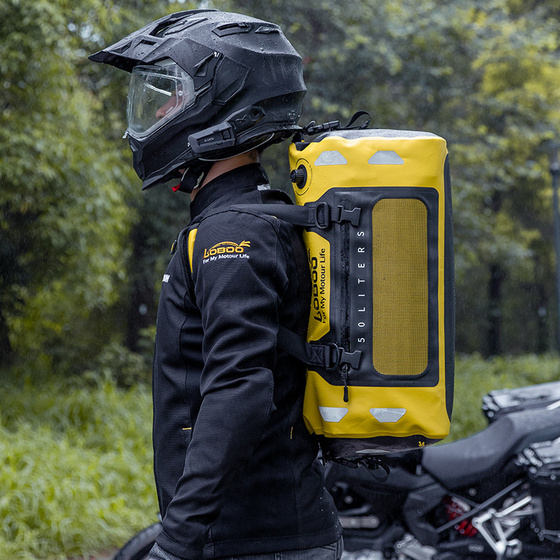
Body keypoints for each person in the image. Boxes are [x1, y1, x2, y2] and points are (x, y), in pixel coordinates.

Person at [89, 9, 343, 560]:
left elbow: (239, 390)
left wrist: (176, 543)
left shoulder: (232, 234)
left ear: (222, 103)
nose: (159, 112)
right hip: (258, 535)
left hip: (256, 542)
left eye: (172, 96)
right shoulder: (248, 219)